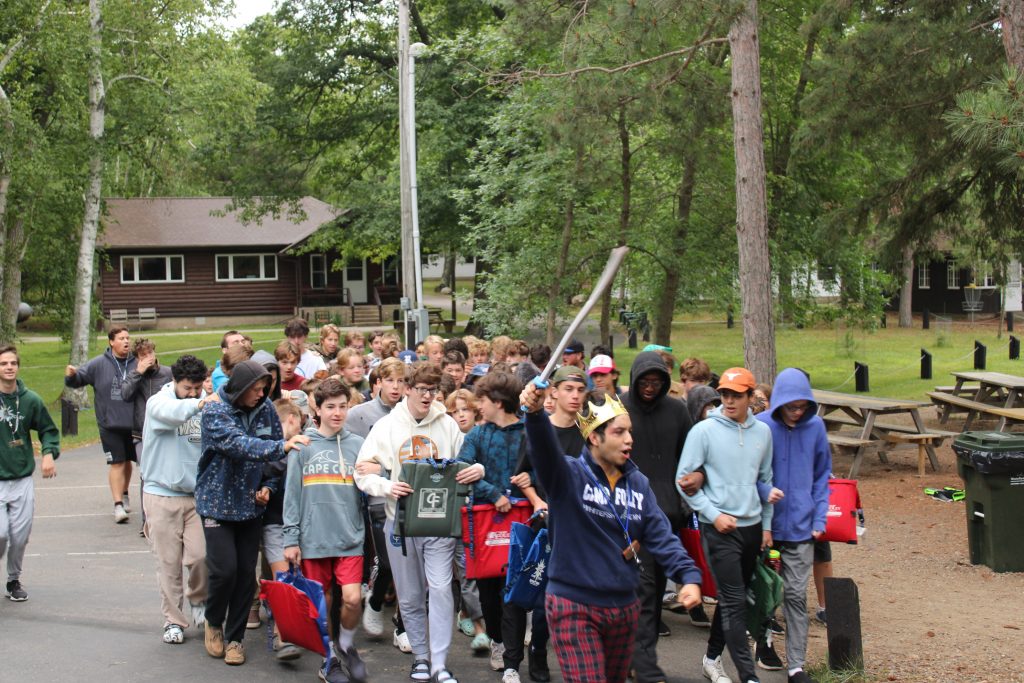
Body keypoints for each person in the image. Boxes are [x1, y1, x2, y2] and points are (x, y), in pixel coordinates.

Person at [518, 383, 702, 683]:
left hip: (624, 608)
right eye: (619, 432)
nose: (629, 439)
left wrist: (688, 577)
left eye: (629, 431)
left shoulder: (639, 483)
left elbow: (661, 534)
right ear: (594, 436)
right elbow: (543, 451)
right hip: (573, 605)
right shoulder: (567, 476)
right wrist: (536, 413)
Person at [354, 363, 485, 683]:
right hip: (399, 522)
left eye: (433, 390)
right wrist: (387, 486)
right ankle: (421, 658)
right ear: (409, 389)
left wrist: (476, 471)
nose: (428, 396)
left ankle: (440, 663)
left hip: (439, 524)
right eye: (422, 389)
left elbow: (465, 463)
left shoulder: (447, 425)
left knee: (440, 589)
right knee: (410, 595)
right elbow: (362, 469)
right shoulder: (387, 426)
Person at [196, 360, 310, 666]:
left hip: (251, 506)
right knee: (224, 571)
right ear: (241, 388)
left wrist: (270, 487)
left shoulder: (266, 411)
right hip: (217, 503)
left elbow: (273, 462)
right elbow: (239, 445)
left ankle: (235, 639)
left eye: (264, 389)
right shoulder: (215, 412)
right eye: (257, 389)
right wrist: (282, 447)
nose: (261, 395)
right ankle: (213, 620)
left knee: (246, 575)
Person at [676, 367, 778, 683]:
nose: (730, 401)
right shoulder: (703, 431)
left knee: (733, 598)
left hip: (751, 527)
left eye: (737, 395)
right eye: (725, 394)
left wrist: (766, 527)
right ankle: (748, 676)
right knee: (734, 600)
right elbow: (683, 481)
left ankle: (711, 657)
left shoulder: (763, 432)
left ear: (751, 397)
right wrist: (713, 513)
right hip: (718, 527)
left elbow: (765, 480)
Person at [283, 377, 368, 683]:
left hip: (350, 537)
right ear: (316, 408)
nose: (337, 412)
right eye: (330, 406)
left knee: (353, 599)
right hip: (313, 537)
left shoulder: (360, 446)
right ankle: (328, 655)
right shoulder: (302, 447)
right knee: (324, 601)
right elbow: (291, 497)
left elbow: (374, 484)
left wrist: (377, 471)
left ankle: (346, 644)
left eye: (343, 406)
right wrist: (291, 539)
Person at [621, 351, 695, 682]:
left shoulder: (678, 411)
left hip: (668, 512)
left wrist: (691, 486)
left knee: (655, 589)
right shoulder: (620, 409)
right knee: (642, 589)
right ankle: (641, 658)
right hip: (629, 514)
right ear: (634, 380)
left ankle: (642, 655)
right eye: (644, 381)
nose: (650, 387)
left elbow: (690, 455)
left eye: (657, 382)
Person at [755, 368, 830, 683]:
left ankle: (796, 665)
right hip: (765, 528)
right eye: (791, 405)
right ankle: (763, 646)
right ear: (780, 401)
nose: (797, 411)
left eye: (802, 405)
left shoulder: (816, 427)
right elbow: (747, 472)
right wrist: (762, 493)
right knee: (764, 595)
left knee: (796, 596)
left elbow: (823, 475)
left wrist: (819, 517)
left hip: (801, 527)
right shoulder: (761, 426)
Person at [455, 371, 526, 675]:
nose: (477, 406)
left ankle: (512, 654)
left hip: (522, 520)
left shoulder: (529, 432)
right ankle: (497, 638)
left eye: (481, 400)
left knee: (514, 590)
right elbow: (462, 468)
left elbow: (547, 470)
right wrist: (493, 493)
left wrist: (530, 480)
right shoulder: (477, 435)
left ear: (498, 402)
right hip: (485, 522)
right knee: (488, 591)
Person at [139, 354, 210, 645]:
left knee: (201, 557)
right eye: (186, 388)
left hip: (195, 496)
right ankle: (173, 620)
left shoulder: (207, 403)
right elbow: (173, 413)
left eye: (197, 388)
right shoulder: (159, 403)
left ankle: (199, 600)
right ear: (174, 382)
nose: (192, 393)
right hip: (160, 494)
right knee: (168, 563)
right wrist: (200, 403)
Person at [0, 344, 59, 602]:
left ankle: (13, 580)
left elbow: (47, 429)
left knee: (20, 536)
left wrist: (48, 453)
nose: (9, 367)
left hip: (22, 478)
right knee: (1, 533)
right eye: (3, 364)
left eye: (13, 363)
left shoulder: (30, 400)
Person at [64, 325, 138, 523]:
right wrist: (71, 375)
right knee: (117, 462)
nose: (126, 341)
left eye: (127, 338)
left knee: (129, 461)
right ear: (111, 342)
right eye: (121, 338)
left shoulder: (137, 363)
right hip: (109, 424)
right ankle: (118, 506)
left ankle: (124, 493)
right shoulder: (98, 364)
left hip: (133, 423)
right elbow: (78, 380)